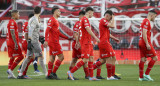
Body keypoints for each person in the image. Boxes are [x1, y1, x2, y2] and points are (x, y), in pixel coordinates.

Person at [67, 7, 100, 81]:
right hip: (85, 43)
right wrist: (95, 37)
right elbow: (88, 30)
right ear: (89, 12)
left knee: (91, 58)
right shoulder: (85, 19)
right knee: (85, 60)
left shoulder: (83, 20)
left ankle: (91, 76)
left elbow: (79, 32)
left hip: (88, 42)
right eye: (92, 13)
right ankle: (70, 72)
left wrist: (79, 41)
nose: (93, 14)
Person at [17, 6, 47, 79]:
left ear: (34, 11)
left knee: (28, 57)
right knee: (41, 57)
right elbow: (30, 30)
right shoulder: (34, 20)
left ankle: (20, 74)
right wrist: (30, 41)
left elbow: (34, 31)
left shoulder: (33, 19)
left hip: (33, 40)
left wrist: (40, 38)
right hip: (34, 42)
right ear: (40, 12)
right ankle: (47, 74)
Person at [44, 6, 72, 79]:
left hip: (53, 41)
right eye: (59, 11)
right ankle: (53, 73)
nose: (60, 12)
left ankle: (49, 75)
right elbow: (47, 30)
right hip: (53, 42)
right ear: (55, 12)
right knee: (61, 57)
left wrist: (67, 38)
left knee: (52, 58)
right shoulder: (52, 20)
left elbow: (58, 33)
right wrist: (46, 40)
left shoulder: (56, 21)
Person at [93, 10, 121, 80]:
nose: (111, 19)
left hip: (105, 42)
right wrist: (114, 18)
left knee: (104, 60)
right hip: (104, 42)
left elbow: (108, 34)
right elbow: (113, 26)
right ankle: (109, 76)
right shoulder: (103, 20)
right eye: (110, 18)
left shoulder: (104, 22)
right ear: (107, 16)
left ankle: (89, 70)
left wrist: (115, 38)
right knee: (109, 58)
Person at [68, 10, 90, 80]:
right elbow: (76, 34)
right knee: (84, 59)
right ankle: (87, 75)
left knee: (74, 60)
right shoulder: (80, 23)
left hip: (75, 43)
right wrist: (78, 42)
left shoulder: (76, 23)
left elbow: (75, 33)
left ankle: (69, 75)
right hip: (79, 44)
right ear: (82, 16)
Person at [138, 10, 157, 81]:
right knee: (155, 57)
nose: (155, 18)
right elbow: (144, 33)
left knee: (143, 59)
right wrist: (147, 43)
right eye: (155, 16)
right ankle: (146, 74)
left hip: (141, 42)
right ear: (151, 15)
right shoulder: (146, 21)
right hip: (145, 43)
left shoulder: (144, 21)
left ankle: (141, 77)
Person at [7, 10, 24, 79]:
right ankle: (10, 70)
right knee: (21, 56)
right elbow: (12, 32)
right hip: (13, 43)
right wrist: (16, 43)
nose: (19, 15)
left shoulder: (11, 22)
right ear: (14, 15)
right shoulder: (12, 22)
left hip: (9, 42)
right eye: (18, 14)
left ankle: (10, 74)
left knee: (12, 57)